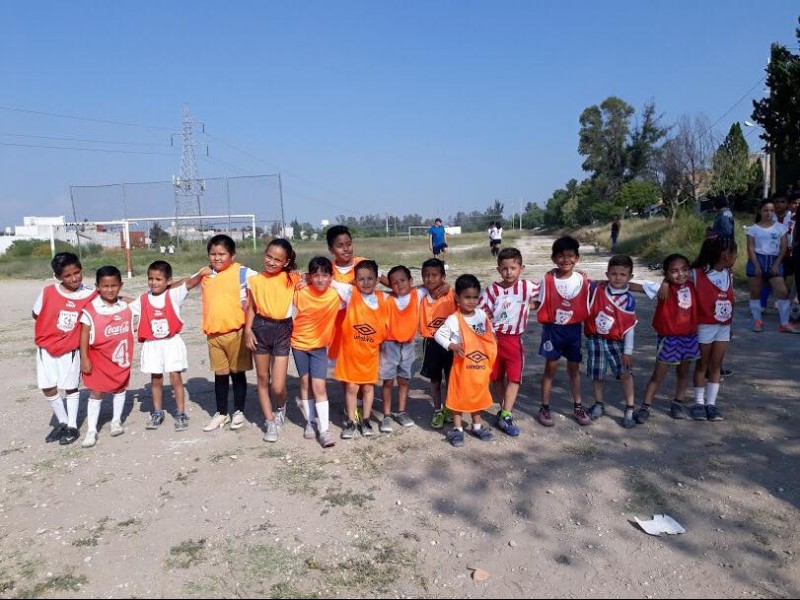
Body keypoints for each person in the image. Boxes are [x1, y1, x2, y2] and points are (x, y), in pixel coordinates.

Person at [132, 260, 209, 432]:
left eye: (158, 279)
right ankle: (157, 412)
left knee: (175, 377)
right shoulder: (143, 299)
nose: (153, 282)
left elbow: (189, 283)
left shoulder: (174, 295)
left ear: (168, 281)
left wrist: (202, 273)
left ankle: (180, 413)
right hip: (152, 345)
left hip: (171, 343)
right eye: (150, 278)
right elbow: (126, 308)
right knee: (156, 379)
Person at [33, 252, 97, 446]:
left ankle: (72, 426)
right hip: (46, 347)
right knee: (48, 386)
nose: (74, 278)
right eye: (67, 276)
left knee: (70, 387)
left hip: (69, 349)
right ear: (58, 276)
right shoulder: (48, 292)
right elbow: (36, 314)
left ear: (81, 270)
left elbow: (111, 301)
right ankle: (62, 421)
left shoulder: (89, 294)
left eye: (77, 273)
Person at [199, 234, 258, 432]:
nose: (217, 258)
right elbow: (184, 285)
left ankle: (238, 411)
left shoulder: (243, 272)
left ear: (232, 255)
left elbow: (266, 280)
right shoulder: (206, 274)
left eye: (221, 254)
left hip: (236, 333)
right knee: (221, 375)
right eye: (213, 254)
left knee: (237, 373)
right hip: (213, 335)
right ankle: (222, 413)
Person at [479, 247, 540, 436]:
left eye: (513, 268)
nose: (509, 272)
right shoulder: (492, 290)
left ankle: (506, 413)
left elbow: (548, 291)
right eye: (504, 269)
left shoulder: (527, 287)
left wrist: (532, 305)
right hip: (494, 340)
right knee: (496, 377)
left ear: (521, 268)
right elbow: (481, 311)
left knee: (514, 378)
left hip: (514, 341)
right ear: (498, 269)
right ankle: (503, 410)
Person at [244, 238, 299, 443]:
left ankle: (281, 406)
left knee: (278, 386)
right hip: (260, 328)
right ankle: (270, 421)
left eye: (277, 259)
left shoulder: (292, 278)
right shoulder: (255, 280)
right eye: (269, 256)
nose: (272, 262)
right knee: (262, 378)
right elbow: (251, 307)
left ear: (286, 262)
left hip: (283, 330)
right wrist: (248, 331)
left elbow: (314, 282)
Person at [634, 254, 699, 423]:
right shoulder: (662, 288)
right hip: (669, 339)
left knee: (683, 373)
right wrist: (604, 284)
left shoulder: (694, 285)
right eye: (674, 271)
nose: (680, 274)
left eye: (684, 269)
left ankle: (677, 403)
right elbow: (636, 287)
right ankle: (645, 407)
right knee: (658, 375)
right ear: (667, 273)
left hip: (690, 338)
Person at [535, 236, 592, 427]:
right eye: (560, 256)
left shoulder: (582, 279)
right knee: (550, 369)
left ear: (577, 258)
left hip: (573, 331)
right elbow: (538, 302)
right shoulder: (547, 279)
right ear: (553, 258)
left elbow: (609, 285)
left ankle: (578, 406)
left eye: (570, 256)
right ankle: (544, 407)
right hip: (553, 331)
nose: (566, 260)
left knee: (574, 370)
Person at [435, 274, 497, 447]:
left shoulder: (481, 315)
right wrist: (452, 345)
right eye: (467, 297)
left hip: (480, 368)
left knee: (477, 395)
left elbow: (489, 334)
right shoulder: (454, 319)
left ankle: (477, 426)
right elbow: (438, 334)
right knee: (458, 396)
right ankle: (457, 429)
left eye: (475, 297)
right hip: (462, 368)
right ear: (457, 297)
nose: (471, 301)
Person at [79, 266, 134, 448]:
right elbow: (84, 335)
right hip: (99, 358)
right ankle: (91, 430)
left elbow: (144, 304)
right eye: (105, 286)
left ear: (120, 285)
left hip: (120, 357)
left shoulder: (126, 306)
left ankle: (116, 421)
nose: (110, 290)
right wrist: (84, 358)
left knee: (120, 388)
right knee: (97, 391)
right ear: (97, 287)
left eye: (114, 286)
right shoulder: (91, 309)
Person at [333, 260, 388, 439]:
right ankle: (351, 421)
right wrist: (307, 278)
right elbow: (330, 282)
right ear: (355, 280)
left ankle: (366, 420)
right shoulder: (351, 293)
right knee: (351, 387)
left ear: (377, 279)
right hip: (351, 353)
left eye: (370, 278)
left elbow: (404, 295)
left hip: (370, 354)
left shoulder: (383, 298)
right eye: (361, 279)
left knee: (368, 388)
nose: (366, 282)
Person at [291, 257, 343, 448]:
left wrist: (332, 282)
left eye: (324, 275)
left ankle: (324, 430)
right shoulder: (301, 292)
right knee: (305, 383)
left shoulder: (335, 296)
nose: (320, 279)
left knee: (319, 386)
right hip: (298, 345)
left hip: (319, 348)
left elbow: (354, 290)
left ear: (331, 276)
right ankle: (310, 421)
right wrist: (303, 278)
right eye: (316, 275)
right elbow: (287, 280)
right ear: (311, 276)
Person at [583, 255, 639, 429]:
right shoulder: (598, 289)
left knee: (625, 374)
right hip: (596, 340)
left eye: (623, 274)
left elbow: (630, 327)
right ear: (607, 274)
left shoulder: (629, 300)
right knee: (597, 374)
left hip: (617, 342)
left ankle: (630, 408)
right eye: (614, 274)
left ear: (630, 277)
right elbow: (581, 283)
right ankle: (598, 404)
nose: (618, 278)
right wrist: (581, 276)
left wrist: (628, 352)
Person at [690, 237, 738, 422]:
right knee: (702, 365)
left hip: (723, 327)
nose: (735, 256)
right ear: (725, 255)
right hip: (704, 326)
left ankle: (711, 403)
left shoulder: (729, 274)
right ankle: (698, 402)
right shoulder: (696, 274)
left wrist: (731, 325)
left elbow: (731, 300)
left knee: (716, 365)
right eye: (734, 252)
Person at [746, 199, 799, 333]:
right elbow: (750, 248)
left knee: (783, 293)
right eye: (766, 210)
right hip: (757, 259)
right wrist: (756, 266)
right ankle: (758, 321)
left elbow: (783, 247)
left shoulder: (780, 227)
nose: (769, 213)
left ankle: (784, 324)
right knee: (755, 293)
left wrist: (776, 264)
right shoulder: (753, 229)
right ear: (760, 211)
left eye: (771, 210)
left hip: (774, 259)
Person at [379, 265, 420, 433]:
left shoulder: (418, 294)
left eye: (403, 280)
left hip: (408, 345)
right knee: (388, 381)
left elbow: (434, 286)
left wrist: (445, 286)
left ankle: (402, 412)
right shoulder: (385, 298)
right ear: (389, 285)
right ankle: (386, 415)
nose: (399, 284)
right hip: (389, 345)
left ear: (410, 281)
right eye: (394, 283)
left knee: (404, 380)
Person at [418, 258, 457, 429]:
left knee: (451, 378)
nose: (430, 279)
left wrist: (449, 286)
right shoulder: (420, 295)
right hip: (431, 343)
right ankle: (438, 410)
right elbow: (402, 287)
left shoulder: (452, 294)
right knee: (435, 380)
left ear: (443, 277)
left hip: (450, 343)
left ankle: (449, 408)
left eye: (435, 275)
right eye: (426, 275)